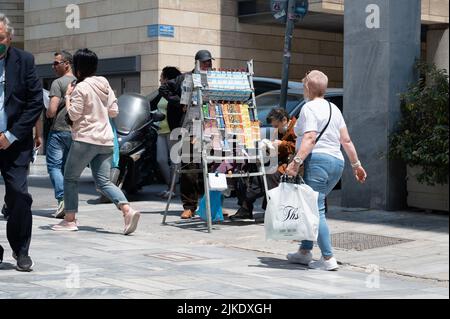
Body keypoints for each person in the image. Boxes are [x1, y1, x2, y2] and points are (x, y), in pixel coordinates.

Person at [51, 48, 140, 235]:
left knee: (70, 178)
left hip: (85, 139)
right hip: (106, 140)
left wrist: (68, 97)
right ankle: (127, 210)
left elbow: (74, 115)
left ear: (79, 68)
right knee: (104, 182)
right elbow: (114, 111)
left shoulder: (80, 87)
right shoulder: (105, 83)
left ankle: (70, 220)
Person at [285, 70, 367, 271]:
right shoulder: (334, 109)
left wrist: (295, 162)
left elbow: (310, 138)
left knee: (316, 209)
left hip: (318, 162)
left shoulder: (309, 108)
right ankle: (304, 252)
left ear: (307, 88)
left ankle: (328, 257)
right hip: (337, 163)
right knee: (312, 206)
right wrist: (356, 165)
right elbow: (346, 140)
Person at [0, 14, 44, 271]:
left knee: (18, 195)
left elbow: (34, 102)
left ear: (10, 37)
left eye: (1, 39)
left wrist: (10, 135)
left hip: (16, 144)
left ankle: (21, 250)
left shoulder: (24, 61)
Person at [159, 50, 214, 219]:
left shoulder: (214, 78)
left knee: (208, 169)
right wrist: (180, 102)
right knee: (189, 168)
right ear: (197, 62)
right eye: (205, 62)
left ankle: (211, 206)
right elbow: (164, 88)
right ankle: (189, 205)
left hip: (209, 129)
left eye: (209, 62)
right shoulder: (184, 78)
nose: (208, 65)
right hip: (188, 128)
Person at [232, 108, 297, 220]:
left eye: (276, 126)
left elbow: (297, 148)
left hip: (290, 164)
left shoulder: (296, 128)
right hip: (277, 161)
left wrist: (282, 144)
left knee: (269, 176)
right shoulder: (279, 132)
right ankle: (246, 206)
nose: (275, 129)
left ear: (284, 120)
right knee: (248, 171)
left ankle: (269, 209)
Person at [46, 51, 76, 218]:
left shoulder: (58, 83)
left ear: (67, 64)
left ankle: (62, 199)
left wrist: (48, 113)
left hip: (58, 131)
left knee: (54, 167)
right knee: (67, 169)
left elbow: (51, 111)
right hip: (76, 131)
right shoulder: (80, 81)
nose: (53, 66)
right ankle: (70, 205)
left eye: (57, 63)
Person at [152, 66, 182, 199]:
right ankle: (169, 185)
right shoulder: (162, 93)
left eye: (162, 76)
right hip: (160, 130)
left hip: (172, 129)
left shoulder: (175, 91)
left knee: (174, 160)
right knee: (161, 160)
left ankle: (172, 189)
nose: (160, 79)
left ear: (167, 78)